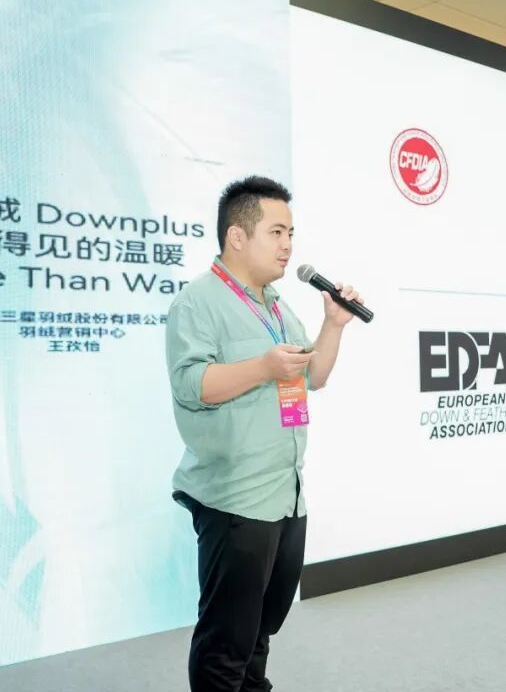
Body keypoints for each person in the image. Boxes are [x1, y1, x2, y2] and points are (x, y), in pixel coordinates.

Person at [165, 175, 363, 691]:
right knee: (225, 644)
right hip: (236, 499)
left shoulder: (276, 305)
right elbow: (190, 385)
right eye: (276, 232)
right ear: (237, 236)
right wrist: (263, 367)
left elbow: (314, 376)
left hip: (286, 494)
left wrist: (334, 325)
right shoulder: (198, 302)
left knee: (259, 635)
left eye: (290, 233)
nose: (288, 245)